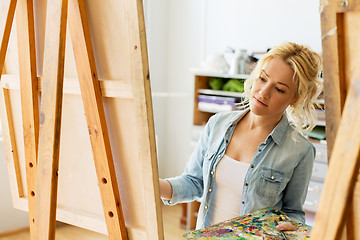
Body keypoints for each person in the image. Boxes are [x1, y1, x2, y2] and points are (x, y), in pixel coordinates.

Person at [159, 42, 323, 231]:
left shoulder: (300, 151)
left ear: (295, 98)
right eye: (263, 78)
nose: (263, 92)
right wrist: (155, 186)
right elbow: (193, 182)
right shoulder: (217, 124)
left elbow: (293, 212)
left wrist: (292, 227)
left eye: (279, 89)